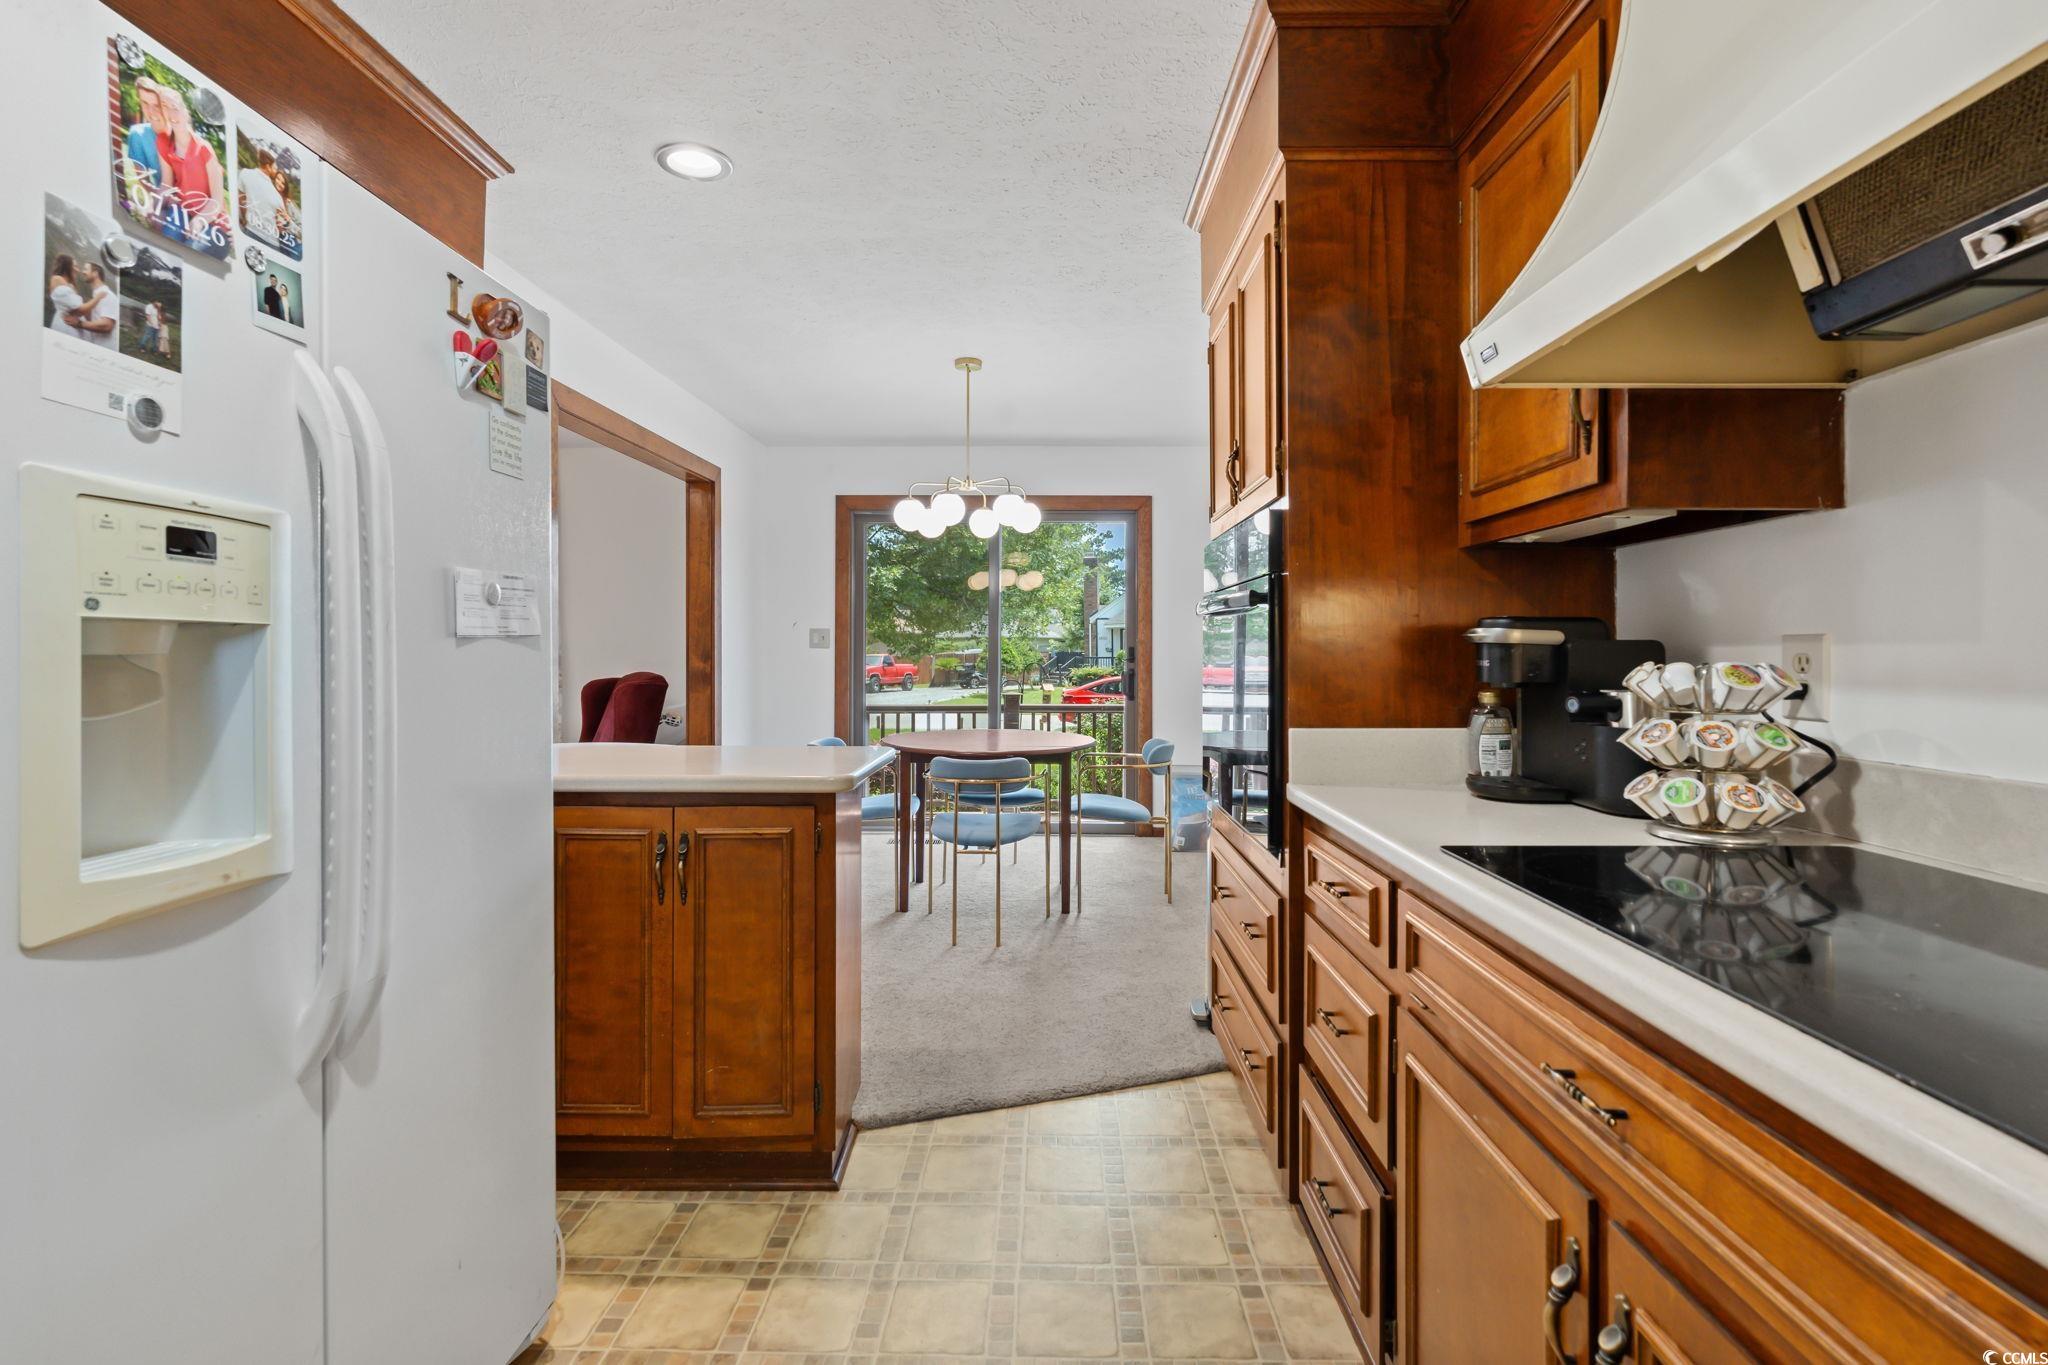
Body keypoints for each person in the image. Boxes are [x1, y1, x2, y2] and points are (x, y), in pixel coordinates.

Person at [160, 87, 227, 250]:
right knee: (167, 244)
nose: (171, 115)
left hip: (212, 221)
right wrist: (154, 201)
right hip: (182, 214)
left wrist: (199, 220)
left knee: (191, 249)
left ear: (186, 112)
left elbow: (217, 200)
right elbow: (166, 185)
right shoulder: (167, 146)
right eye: (166, 109)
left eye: (175, 108)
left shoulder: (204, 148)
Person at [119, 79, 170, 223]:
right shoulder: (137, 135)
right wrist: (156, 202)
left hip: (189, 197)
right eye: (145, 104)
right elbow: (144, 179)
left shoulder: (177, 132)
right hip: (165, 195)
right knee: (157, 221)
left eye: (156, 105)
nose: (151, 111)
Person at [238, 145, 286, 248]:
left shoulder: (245, 173)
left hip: (251, 230)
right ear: (268, 166)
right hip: (271, 241)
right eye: (274, 167)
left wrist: (245, 219)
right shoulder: (276, 195)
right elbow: (281, 224)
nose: (276, 170)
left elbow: (241, 200)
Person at [47, 253, 92, 339]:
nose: (77, 270)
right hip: (65, 325)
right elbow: (79, 308)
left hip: (73, 326)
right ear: (67, 266)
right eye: (75, 266)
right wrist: (98, 298)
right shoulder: (57, 279)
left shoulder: (69, 285)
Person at [74, 262, 118, 349]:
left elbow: (107, 325)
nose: (83, 272)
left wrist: (78, 324)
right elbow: (94, 320)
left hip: (106, 349)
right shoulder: (96, 296)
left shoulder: (107, 295)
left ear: (95, 273)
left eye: (86, 269)